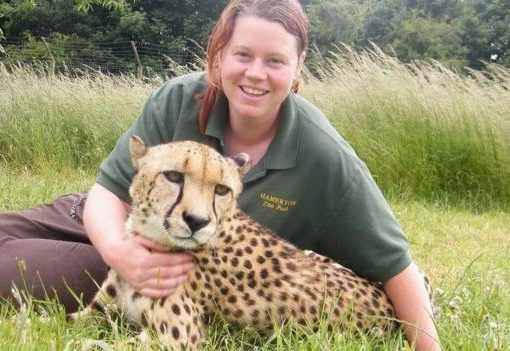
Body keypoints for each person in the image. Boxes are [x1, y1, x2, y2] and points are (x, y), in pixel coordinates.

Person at [0, 0, 441, 349]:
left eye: (275, 60)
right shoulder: (179, 97)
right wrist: (119, 251)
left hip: (181, 258)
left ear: (298, 64)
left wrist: (428, 344)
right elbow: (109, 192)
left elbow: (395, 263)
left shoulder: (326, 156)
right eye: (243, 55)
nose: (255, 73)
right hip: (123, 215)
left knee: (14, 271)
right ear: (218, 55)